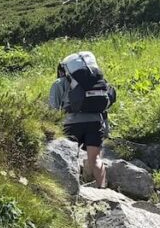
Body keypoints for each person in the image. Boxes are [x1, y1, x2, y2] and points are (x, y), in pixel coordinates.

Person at [48, 51, 116, 188]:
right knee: (95, 159)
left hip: (71, 125)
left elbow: (52, 111)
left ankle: (70, 190)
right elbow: (106, 103)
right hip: (95, 124)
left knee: (69, 157)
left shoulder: (59, 83)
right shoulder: (97, 81)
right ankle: (102, 189)